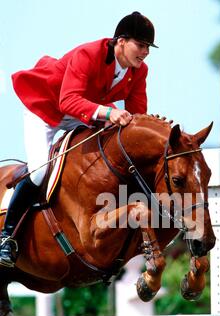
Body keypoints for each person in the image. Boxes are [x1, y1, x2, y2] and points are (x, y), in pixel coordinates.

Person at [0, 11, 158, 268]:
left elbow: (137, 114)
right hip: (46, 110)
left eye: (148, 47)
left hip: (82, 115)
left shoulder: (138, 71)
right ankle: (6, 237)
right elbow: (67, 100)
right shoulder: (88, 54)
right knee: (40, 172)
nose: (145, 52)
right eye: (140, 46)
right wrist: (109, 112)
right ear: (121, 41)